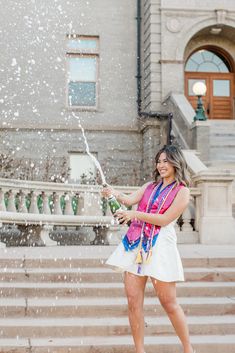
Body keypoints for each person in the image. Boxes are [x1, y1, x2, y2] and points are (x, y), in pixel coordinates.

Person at [102, 145, 195, 353]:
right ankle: (139, 350)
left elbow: (164, 220)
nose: (161, 165)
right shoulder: (150, 186)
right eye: (159, 161)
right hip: (135, 244)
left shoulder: (183, 191)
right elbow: (127, 200)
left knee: (168, 302)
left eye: (166, 161)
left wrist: (135, 215)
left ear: (176, 163)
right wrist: (112, 193)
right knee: (133, 301)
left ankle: (188, 349)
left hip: (160, 246)